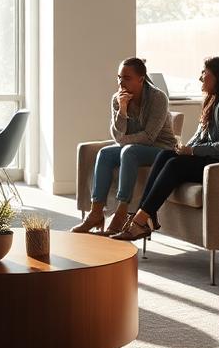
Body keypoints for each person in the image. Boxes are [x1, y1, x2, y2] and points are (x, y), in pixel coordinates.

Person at [112, 55, 219, 242]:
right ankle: (144, 217)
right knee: (167, 154)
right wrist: (185, 147)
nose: (200, 77)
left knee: (175, 166)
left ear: (218, 77)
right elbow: (201, 136)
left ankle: (140, 220)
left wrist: (192, 152)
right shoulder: (214, 100)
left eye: (204, 73)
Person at [72, 57, 178, 236]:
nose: (121, 82)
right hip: (134, 147)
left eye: (127, 78)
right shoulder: (117, 98)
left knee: (129, 152)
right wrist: (122, 109)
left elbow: (149, 137)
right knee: (105, 153)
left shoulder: (158, 98)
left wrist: (123, 140)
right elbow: (116, 135)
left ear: (141, 79)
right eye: (119, 77)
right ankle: (96, 213)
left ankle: (121, 213)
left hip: (162, 149)